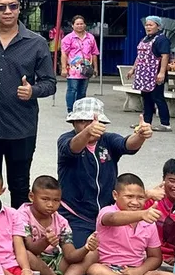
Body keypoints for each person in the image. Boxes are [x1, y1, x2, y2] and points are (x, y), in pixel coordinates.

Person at [0, 0, 56, 208]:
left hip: (21, 127)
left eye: (13, 6)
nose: (8, 11)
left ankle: (18, 238)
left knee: (20, 186)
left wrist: (33, 91)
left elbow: (50, 83)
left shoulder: (37, 43)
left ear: (19, 7)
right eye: (1, 7)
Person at [86, 173, 175, 275]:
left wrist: (139, 271)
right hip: (109, 271)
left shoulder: (148, 222)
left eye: (140, 198)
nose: (136, 202)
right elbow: (112, 219)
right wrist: (142, 214)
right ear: (115, 195)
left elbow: (155, 257)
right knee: (95, 270)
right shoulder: (108, 211)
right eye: (129, 197)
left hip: (136, 272)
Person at [57, 97, 153, 248]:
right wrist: (87, 133)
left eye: (94, 122)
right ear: (73, 123)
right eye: (83, 121)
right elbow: (72, 148)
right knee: (82, 254)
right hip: (75, 215)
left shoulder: (108, 140)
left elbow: (127, 145)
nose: (90, 126)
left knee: (117, 254)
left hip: (107, 214)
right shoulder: (65, 139)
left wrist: (140, 136)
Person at [16, 175, 96, 275]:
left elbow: (70, 255)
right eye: (45, 199)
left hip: (54, 262)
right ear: (32, 197)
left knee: (93, 253)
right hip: (33, 262)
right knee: (26, 255)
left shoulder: (61, 221)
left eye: (56, 200)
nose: (50, 204)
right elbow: (30, 248)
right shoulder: (21, 216)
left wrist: (86, 247)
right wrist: (45, 241)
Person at [131, 15, 172, 132]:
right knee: (146, 97)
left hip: (155, 73)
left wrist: (162, 73)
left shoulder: (162, 39)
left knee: (158, 97)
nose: (147, 27)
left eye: (150, 25)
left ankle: (165, 123)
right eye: (146, 25)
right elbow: (139, 56)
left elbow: (165, 56)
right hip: (144, 74)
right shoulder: (145, 39)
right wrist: (133, 69)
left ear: (158, 27)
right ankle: (146, 122)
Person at [61, 16, 100, 112]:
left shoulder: (90, 38)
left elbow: (94, 53)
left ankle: (79, 110)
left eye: (81, 24)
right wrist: (63, 68)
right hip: (73, 69)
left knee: (82, 91)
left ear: (85, 25)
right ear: (72, 26)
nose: (79, 26)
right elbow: (64, 54)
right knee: (72, 90)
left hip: (86, 69)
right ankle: (70, 110)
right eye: (77, 24)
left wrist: (95, 68)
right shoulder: (68, 38)